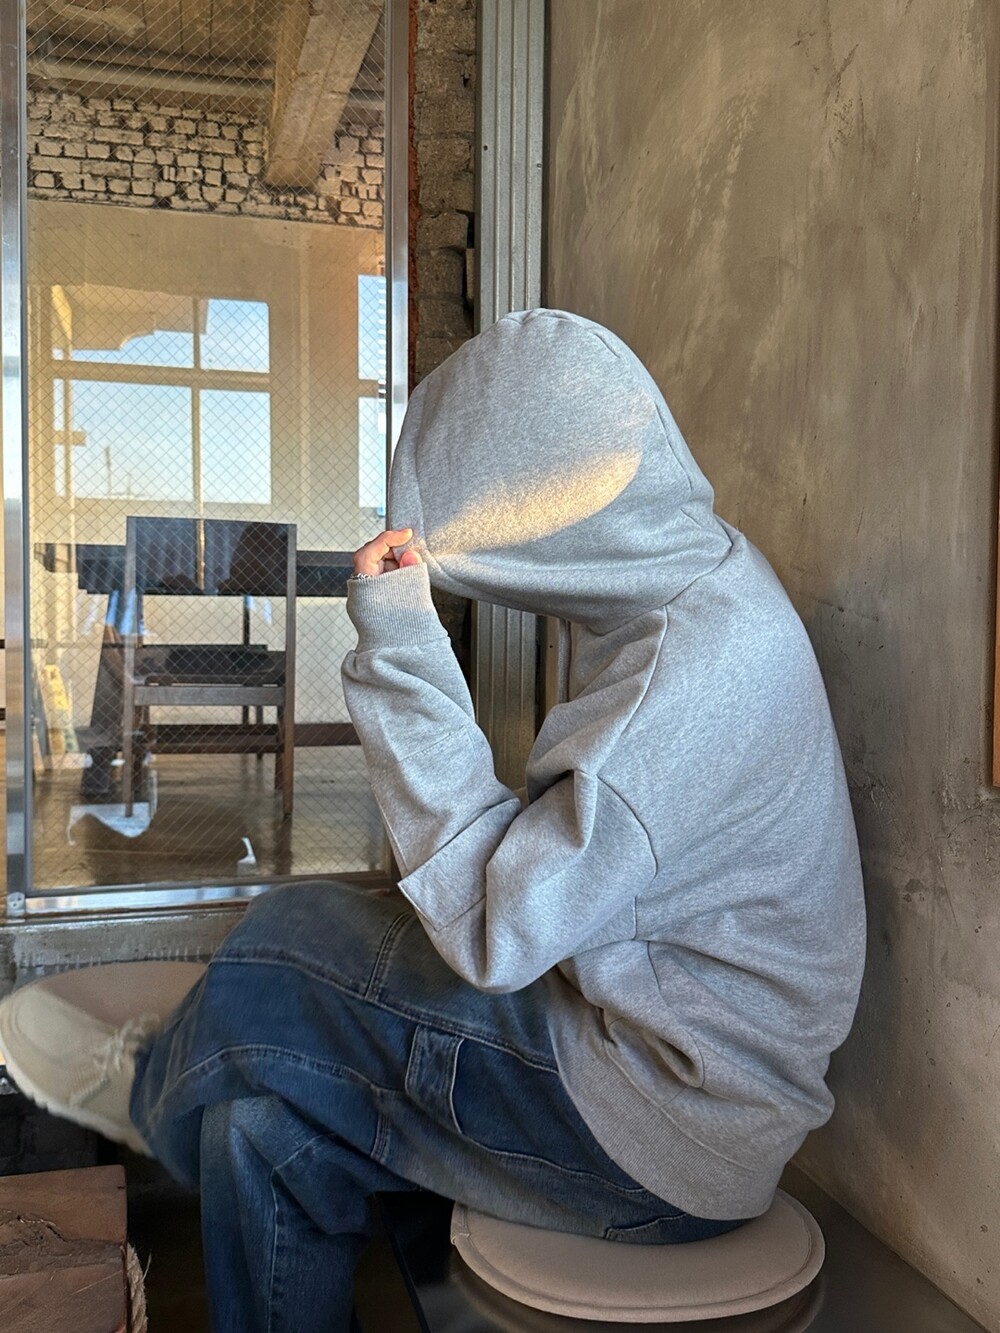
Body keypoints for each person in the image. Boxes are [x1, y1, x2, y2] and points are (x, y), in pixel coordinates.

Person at [0, 309, 865, 1332]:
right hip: (663, 1060)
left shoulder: (682, 685)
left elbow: (495, 932)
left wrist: (399, 646)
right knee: (251, 1131)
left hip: (664, 1123)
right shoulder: (701, 581)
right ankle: (200, 1072)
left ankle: (149, 1085)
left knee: (289, 933)